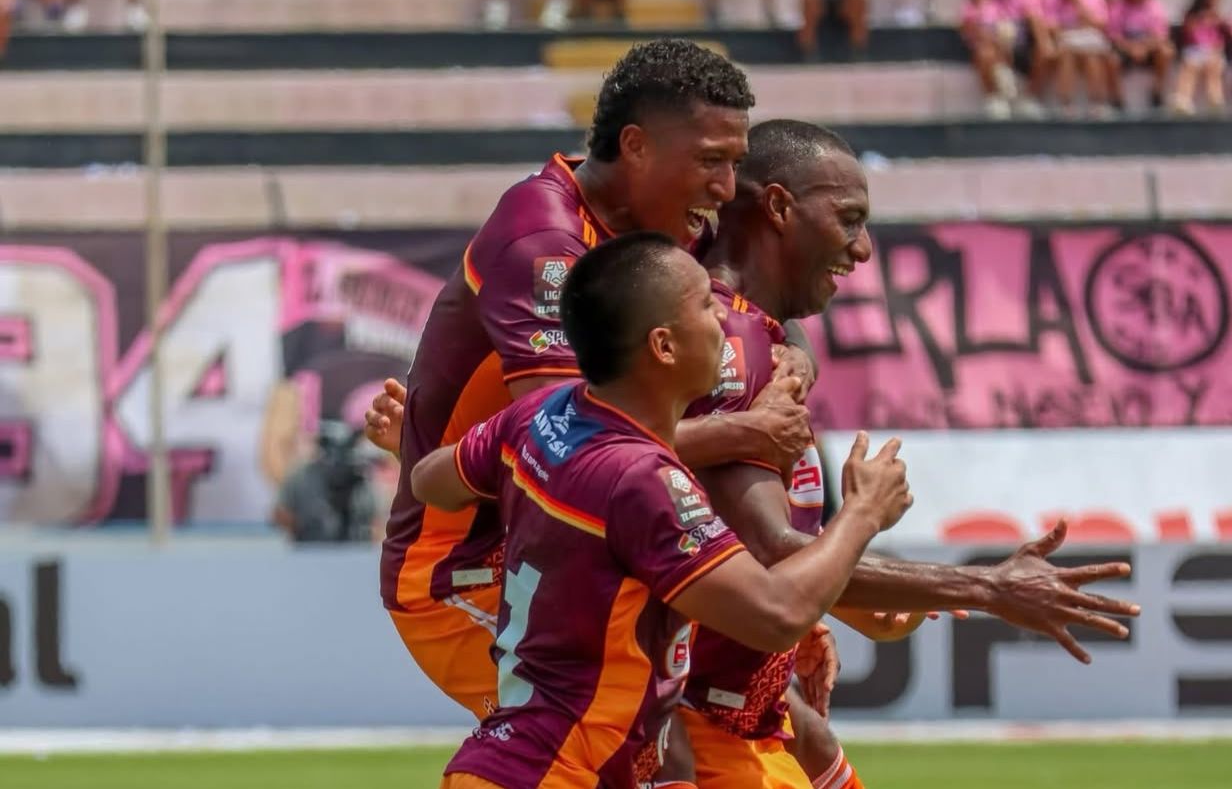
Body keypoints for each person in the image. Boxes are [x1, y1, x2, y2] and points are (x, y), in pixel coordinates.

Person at [653, 118, 1141, 788]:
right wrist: (987, 586)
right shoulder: (725, 340)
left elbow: (721, 541)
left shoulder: (759, 335)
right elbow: (767, 555)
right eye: (848, 219)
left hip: (759, 716)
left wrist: (828, 610)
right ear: (779, 207)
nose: (862, 249)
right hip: (698, 729)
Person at [378, 38, 816, 722]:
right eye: (712, 161)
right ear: (636, 146)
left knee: (748, 720)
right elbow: (567, 451)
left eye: (735, 163)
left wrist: (796, 356)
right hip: (467, 571)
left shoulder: (667, 227)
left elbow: (763, 302)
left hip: (587, 550)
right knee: (635, 735)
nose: (728, 189)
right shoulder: (543, 241)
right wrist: (746, 431)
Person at [412, 232, 913, 788]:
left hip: (503, 765)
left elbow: (429, 480)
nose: (723, 321)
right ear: (663, 346)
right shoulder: (643, 478)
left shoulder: (543, 415)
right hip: (557, 773)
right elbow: (776, 613)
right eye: (704, 306)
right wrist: (863, 513)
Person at [273, 421, 379, 544]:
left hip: (353, 548)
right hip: (310, 548)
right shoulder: (301, 476)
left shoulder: (360, 477)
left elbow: (376, 524)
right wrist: (300, 527)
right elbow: (280, 514)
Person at [1105, 0, 1174, 112]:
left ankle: (1157, 94)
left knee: (1166, 52)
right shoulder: (1118, 6)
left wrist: (1144, 48)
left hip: (1148, 48)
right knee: (1111, 60)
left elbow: (1160, 35)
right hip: (1126, 48)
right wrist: (1132, 48)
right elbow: (1114, 35)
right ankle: (1117, 100)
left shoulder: (1154, 6)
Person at [1173, 0, 1232, 114]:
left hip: (1213, 51)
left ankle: (1215, 100)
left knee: (1214, 68)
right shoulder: (1191, 15)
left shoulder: (1218, 17)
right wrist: (1200, 19)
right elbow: (1187, 33)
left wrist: (1216, 22)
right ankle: (1182, 99)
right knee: (1190, 67)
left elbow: (1223, 39)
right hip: (1194, 50)